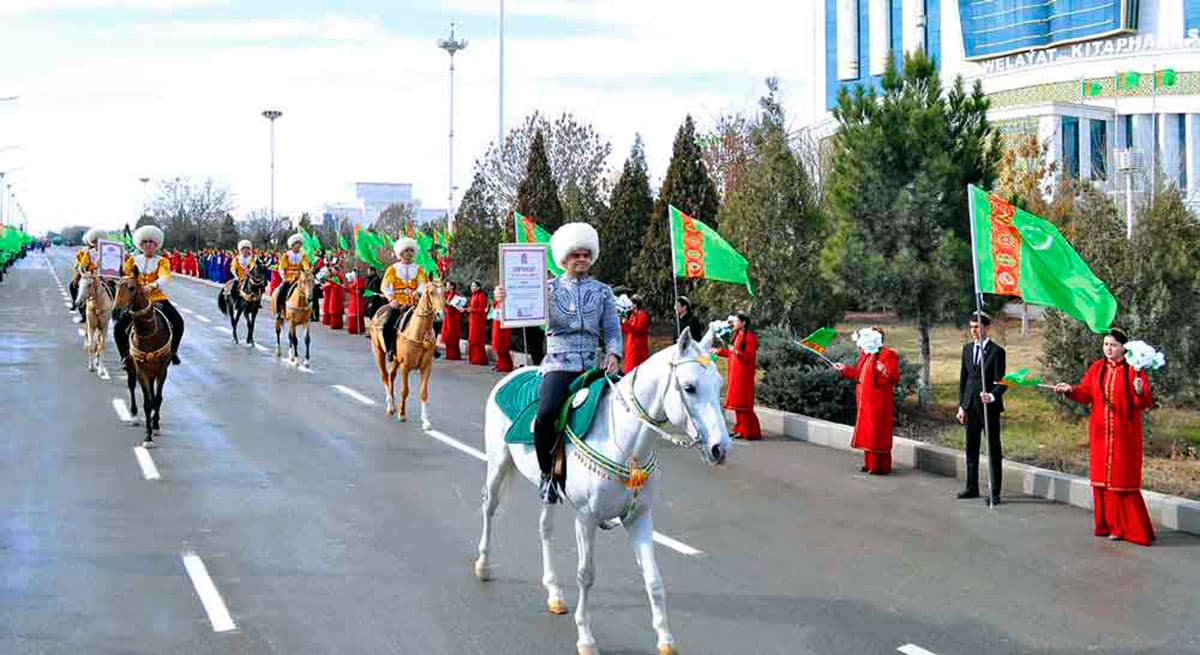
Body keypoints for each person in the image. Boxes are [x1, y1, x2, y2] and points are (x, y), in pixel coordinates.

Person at [495, 222, 622, 504]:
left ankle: (617, 483)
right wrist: (504, 298)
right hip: (559, 363)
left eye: (586, 255)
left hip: (594, 364)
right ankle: (547, 476)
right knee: (547, 413)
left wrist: (614, 354)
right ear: (563, 258)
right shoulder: (546, 289)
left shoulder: (603, 292)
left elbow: (612, 329)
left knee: (625, 410)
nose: (582, 260)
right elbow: (520, 310)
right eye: (576, 255)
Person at [1055, 328, 1155, 545]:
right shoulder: (1097, 368)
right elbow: (1086, 393)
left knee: (1121, 480)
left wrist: (1139, 391)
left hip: (1124, 435)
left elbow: (1143, 403)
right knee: (1102, 480)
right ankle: (1107, 525)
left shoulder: (1133, 370)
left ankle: (1125, 528)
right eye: (1106, 345)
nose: (1108, 349)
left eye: (1113, 345)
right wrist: (1069, 389)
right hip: (1101, 433)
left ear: (1123, 348)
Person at [113, 225, 184, 367]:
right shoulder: (132, 260)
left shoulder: (162, 261)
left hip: (157, 298)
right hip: (136, 300)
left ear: (156, 245)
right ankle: (125, 356)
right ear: (141, 245)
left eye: (152, 243)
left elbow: (165, 277)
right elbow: (124, 275)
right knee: (118, 327)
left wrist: (152, 286)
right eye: (145, 243)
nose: (149, 245)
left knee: (178, 322)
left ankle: (173, 352)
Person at [957, 311, 1007, 504]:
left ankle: (995, 491)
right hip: (971, 406)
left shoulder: (997, 352)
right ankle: (972, 486)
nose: (974, 331)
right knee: (971, 447)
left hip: (989, 407)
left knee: (993, 448)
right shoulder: (967, 350)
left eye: (977, 327)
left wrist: (993, 395)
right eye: (971, 327)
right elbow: (964, 380)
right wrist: (962, 406)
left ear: (987, 328)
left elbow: (1002, 381)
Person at [835, 327, 901, 474]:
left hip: (879, 402)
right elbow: (859, 374)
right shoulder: (866, 354)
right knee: (867, 433)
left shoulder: (887, 355)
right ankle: (869, 464)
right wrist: (844, 369)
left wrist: (885, 371)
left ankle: (879, 466)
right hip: (865, 401)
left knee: (877, 432)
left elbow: (895, 378)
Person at [379, 238, 428, 361]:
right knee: (388, 324)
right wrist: (391, 299)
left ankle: (431, 347)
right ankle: (390, 349)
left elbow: (424, 284)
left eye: (412, 250)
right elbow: (385, 286)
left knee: (432, 321)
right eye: (407, 250)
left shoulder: (419, 269)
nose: (410, 253)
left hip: (415, 303)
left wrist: (418, 292)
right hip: (398, 302)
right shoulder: (392, 269)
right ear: (400, 252)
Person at [716, 312, 761, 440]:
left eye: (736, 321)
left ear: (743, 323)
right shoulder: (737, 336)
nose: (733, 324)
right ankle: (740, 428)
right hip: (735, 374)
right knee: (737, 404)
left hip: (743, 375)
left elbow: (749, 356)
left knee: (743, 404)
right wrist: (719, 351)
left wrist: (736, 351)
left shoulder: (750, 337)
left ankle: (749, 431)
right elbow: (731, 354)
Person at [275, 234, 312, 315]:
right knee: (280, 291)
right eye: (296, 244)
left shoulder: (303, 255)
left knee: (310, 289)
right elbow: (281, 267)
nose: (298, 246)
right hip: (288, 277)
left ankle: (309, 310)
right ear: (292, 245)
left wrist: (307, 271)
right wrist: (283, 276)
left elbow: (306, 265)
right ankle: (278, 311)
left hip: (300, 277)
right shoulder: (286, 255)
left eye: (299, 244)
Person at [72, 227, 103, 323]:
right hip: (91, 277)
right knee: (77, 285)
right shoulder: (89, 253)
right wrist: (88, 272)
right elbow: (81, 266)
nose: (97, 243)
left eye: (99, 241)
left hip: (105, 278)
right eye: (94, 241)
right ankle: (80, 306)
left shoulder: (109, 251)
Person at [621, 294, 651, 373]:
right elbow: (628, 330)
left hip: (639, 348)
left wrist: (626, 324)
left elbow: (638, 330)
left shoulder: (642, 316)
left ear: (635, 304)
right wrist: (622, 324)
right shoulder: (632, 316)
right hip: (631, 346)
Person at [467, 281, 489, 365]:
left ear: (478, 287)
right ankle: (473, 358)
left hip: (478, 321)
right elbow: (472, 307)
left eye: (474, 286)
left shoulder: (481, 295)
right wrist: (467, 309)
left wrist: (472, 310)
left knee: (477, 339)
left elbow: (481, 309)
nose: (472, 288)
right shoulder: (473, 295)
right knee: (472, 339)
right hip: (472, 320)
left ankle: (479, 359)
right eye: (471, 286)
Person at [491, 292, 514, 372]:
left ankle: (505, 365)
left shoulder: (506, 303)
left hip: (503, 328)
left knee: (502, 346)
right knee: (497, 346)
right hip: (496, 326)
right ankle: (499, 363)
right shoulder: (496, 302)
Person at [441, 280, 463, 360]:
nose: (446, 287)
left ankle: (454, 355)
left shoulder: (455, 295)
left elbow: (453, 306)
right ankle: (449, 354)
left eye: (447, 285)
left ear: (452, 286)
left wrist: (446, 303)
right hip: (448, 317)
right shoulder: (448, 295)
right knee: (447, 335)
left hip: (453, 318)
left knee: (452, 335)